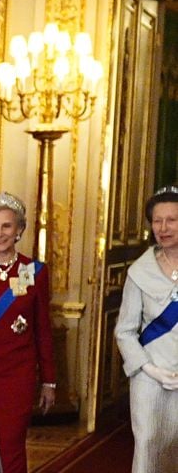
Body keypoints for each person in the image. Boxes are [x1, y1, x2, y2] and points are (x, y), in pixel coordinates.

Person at [0, 192, 56, 473]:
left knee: (10, 446)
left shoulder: (33, 271)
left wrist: (49, 381)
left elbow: (42, 327)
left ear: (19, 230)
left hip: (17, 375)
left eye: (7, 226)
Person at [115, 186, 178, 473]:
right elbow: (125, 330)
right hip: (149, 377)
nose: (163, 228)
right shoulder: (139, 272)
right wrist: (149, 369)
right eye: (157, 221)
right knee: (148, 444)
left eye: (172, 220)